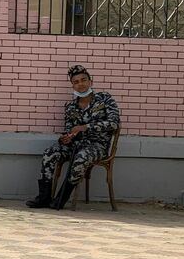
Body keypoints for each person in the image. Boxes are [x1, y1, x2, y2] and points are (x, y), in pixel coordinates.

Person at [26, 65, 120, 210]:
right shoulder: (71, 107)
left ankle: (60, 199)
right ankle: (44, 197)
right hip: (75, 145)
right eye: (76, 82)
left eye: (83, 80)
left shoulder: (104, 98)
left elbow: (113, 123)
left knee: (80, 158)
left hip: (97, 146)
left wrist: (86, 127)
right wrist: (66, 138)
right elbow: (69, 130)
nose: (80, 84)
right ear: (73, 86)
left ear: (91, 82)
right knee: (49, 153)